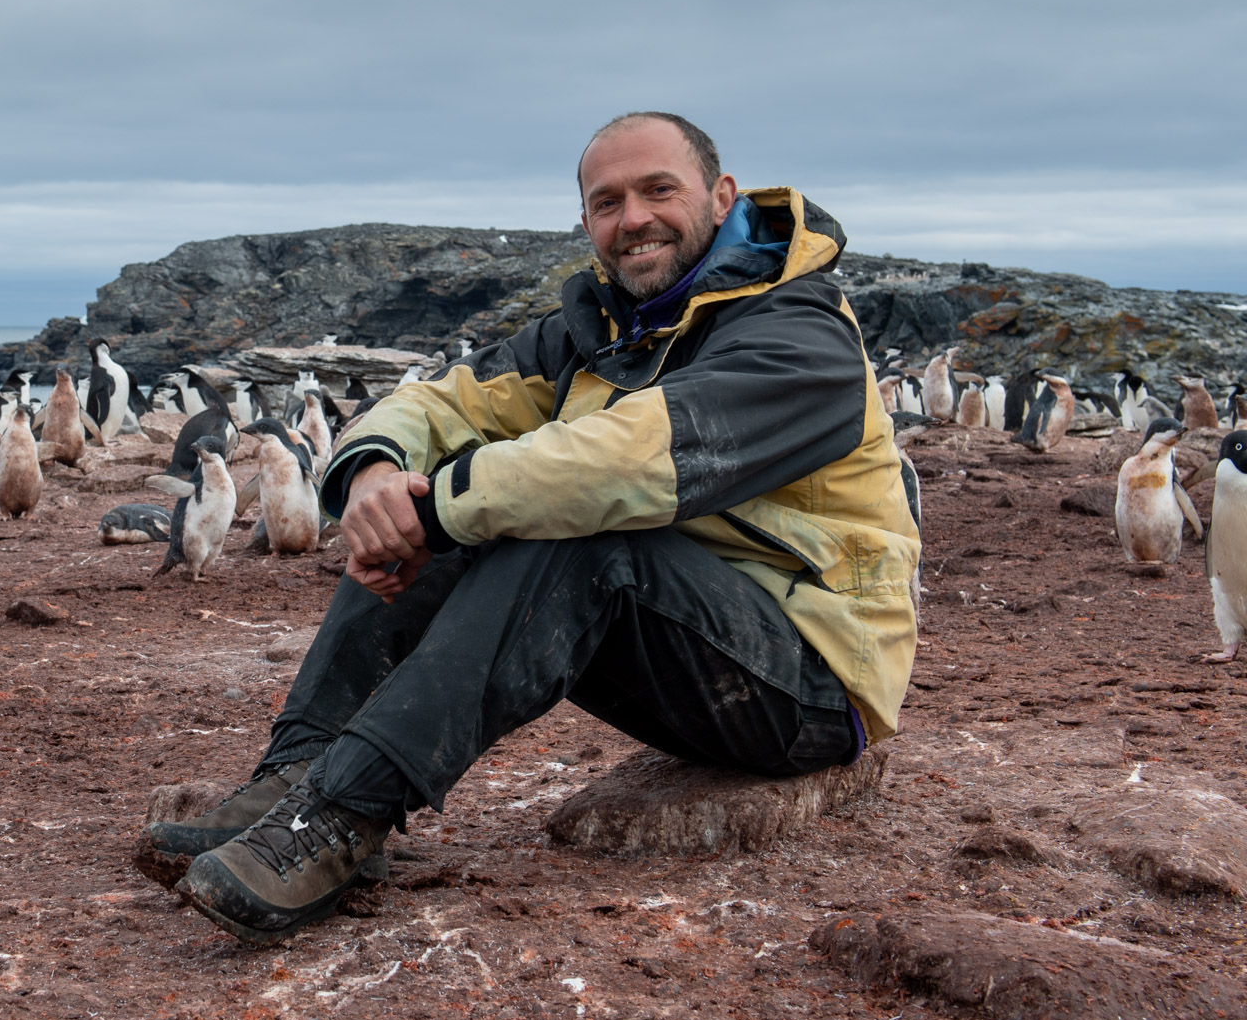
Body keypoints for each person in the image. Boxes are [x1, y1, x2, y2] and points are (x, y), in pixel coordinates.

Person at [141, 111, 921, 944]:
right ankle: (297, 771)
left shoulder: (798, 331)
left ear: (721, 194)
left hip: (810, 679)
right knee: (481, 507)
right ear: (586, 222)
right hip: (690, 638)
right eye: (607, 201)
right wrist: (372, 472)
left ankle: (341, 812)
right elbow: (450, 397)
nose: (634, 218)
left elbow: (632, 460)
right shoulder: (603, 327)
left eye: (659, 189)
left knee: (567, 527)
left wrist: (432, 509)